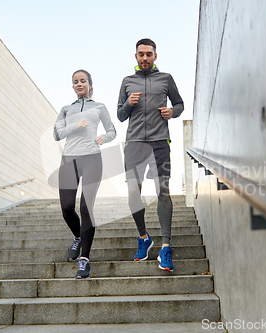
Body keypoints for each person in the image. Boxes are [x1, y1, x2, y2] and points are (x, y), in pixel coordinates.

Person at [117, 38, 184, 272]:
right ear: (135, 57)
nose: (145, 57)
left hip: (159, 143)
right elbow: (120, 115)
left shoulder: (166, 79)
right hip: (134, 143)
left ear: (155, 56)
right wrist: (128, 103)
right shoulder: (127, 82)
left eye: (149, 54)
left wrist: (172, 112)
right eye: (141, 54)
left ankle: (165, 245)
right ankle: (144, 237)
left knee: (163, 191)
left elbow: (180, 104)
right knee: (133, 191)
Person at [54, 69, 116, 279]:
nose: (79, 84)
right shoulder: (65, 109)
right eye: (75, 82)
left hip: (92, 158)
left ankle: (84, 259)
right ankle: (78, 237)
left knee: (85, 206)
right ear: (72, 86)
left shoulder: (99, 107)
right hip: (69, 158)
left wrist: (104, 139)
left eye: (83, 81)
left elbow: (112, 130)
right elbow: (56, 134)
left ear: (90, 84)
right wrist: (74, 125)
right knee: (66, 208)